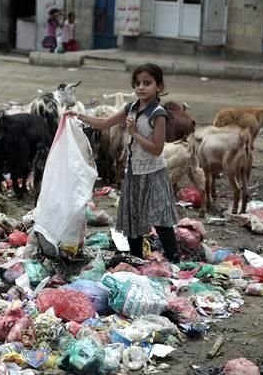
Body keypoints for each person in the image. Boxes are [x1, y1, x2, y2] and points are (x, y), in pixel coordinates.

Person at [67, 63, 180, 263]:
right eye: (137, 83)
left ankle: (174, 259)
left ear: (159, 87)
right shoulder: (131, 108)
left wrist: (135, 133)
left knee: (161, 218)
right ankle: (136, 258)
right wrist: (79, 116)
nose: (141, 87)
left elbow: (157, 148)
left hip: (154, 172)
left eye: (147, 83)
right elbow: (104, 123)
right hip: (134, 171)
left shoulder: (158, 114)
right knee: (132, 217)